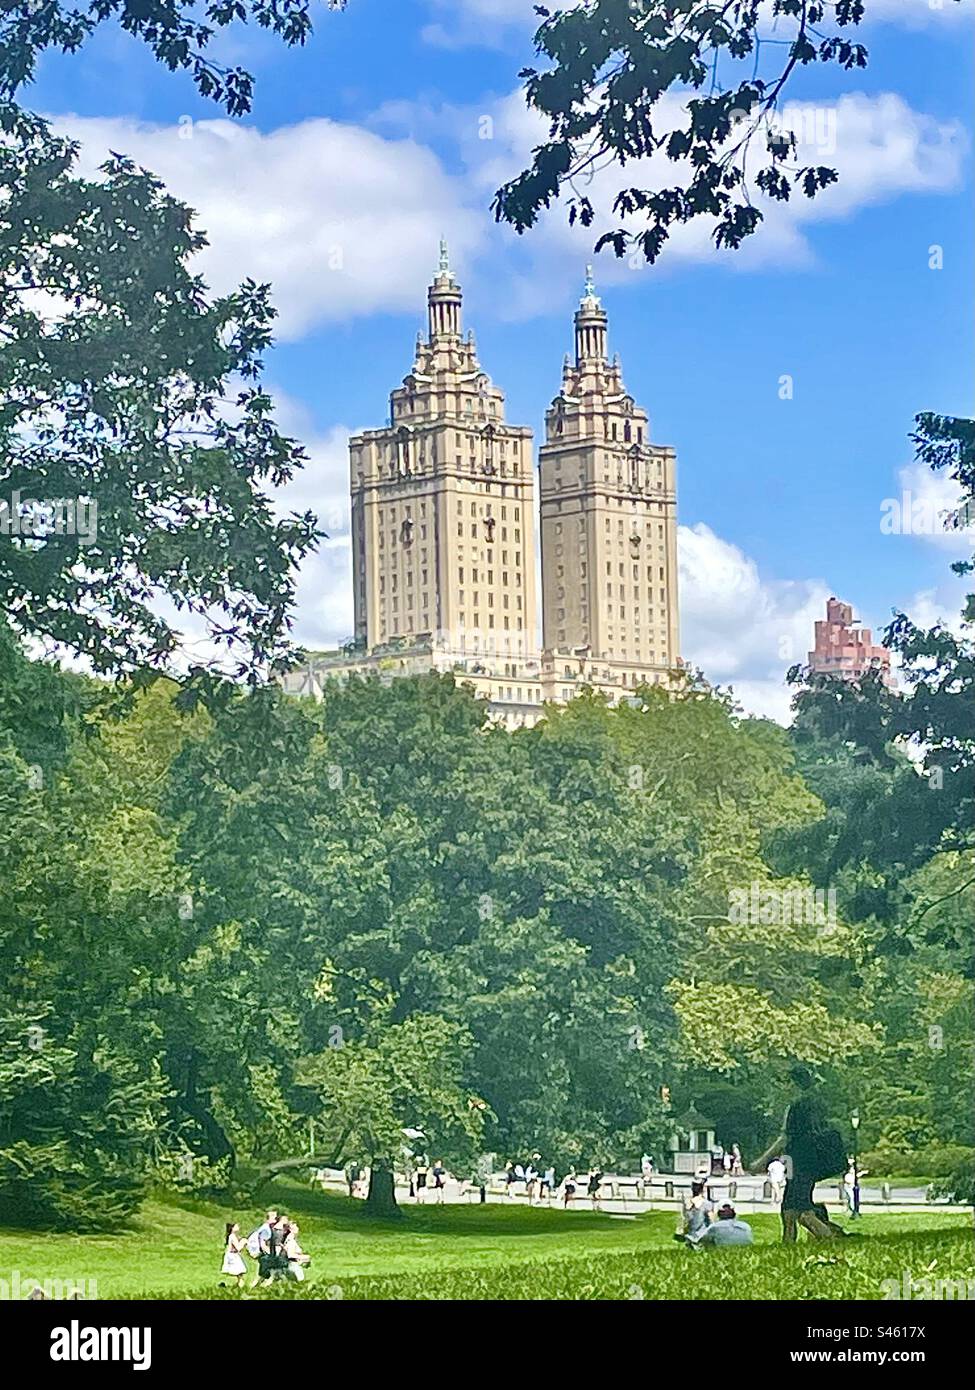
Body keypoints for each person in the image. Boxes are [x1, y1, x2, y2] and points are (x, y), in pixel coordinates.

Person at [754, 1065, 840, 1242]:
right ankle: (788, 1246)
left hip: (801, 1162)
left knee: (803, 1212)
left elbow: (785, 1137)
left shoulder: (797, 1106)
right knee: (788, 1210)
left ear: (793, 1083)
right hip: (807, 1162)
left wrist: (762, 1161)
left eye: (786, 1083)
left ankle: (832, 1240)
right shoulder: (817, 1103)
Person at [246, 1209, 278, 1287]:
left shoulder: (265, 1227)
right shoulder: (266, 1230)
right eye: (274, 1217)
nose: (276, 1219)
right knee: (267, 1275)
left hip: (263, 1255)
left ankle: (255, 1288)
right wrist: (272, 1255)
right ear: (269, 1218)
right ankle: (254, 1288)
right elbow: (263, 1245)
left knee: (265, 1276)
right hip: (264, 1255)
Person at [674, 1180, 712, 1244]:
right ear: (702, 1189)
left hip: (689, 1236)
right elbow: (711, 1221)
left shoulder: (687, 1204)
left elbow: (683, 1221)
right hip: (702, 1236)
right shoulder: (706, 1203)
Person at [221, 1221, 247, 1289]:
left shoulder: (232, 1236)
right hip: (233, 1257)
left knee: (240, 1275)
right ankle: (240, 1289)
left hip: (233, 1256)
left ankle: (235, 1288)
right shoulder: (232, 1236)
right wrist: (243, 1241)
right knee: (240, 1274)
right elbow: (238, 1248)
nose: (238, 1227)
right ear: (232, 1228)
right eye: (236, 1226)